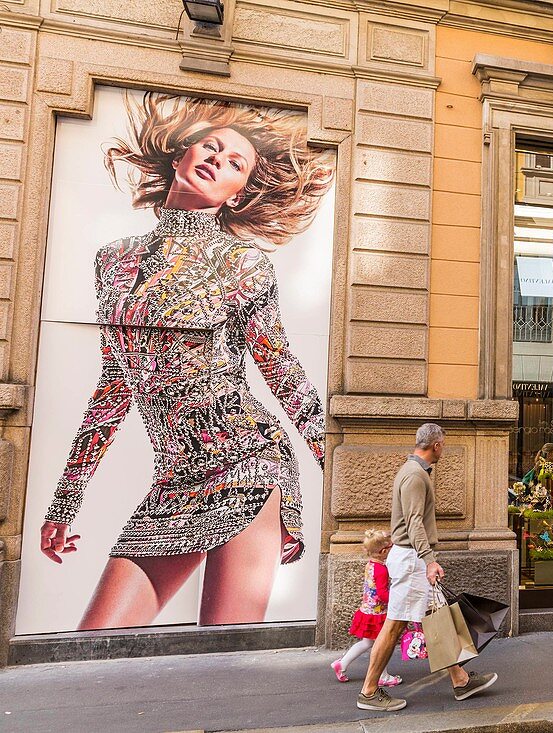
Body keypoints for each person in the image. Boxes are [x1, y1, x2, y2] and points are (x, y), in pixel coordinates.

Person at [38, 92, 332, 628]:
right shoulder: (113, 261)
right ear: (180, 157)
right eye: (211, 147)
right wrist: (64, 502)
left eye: (235, 162)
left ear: (238, 194)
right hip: (172, 480)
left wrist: (339, 465)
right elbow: (113, 387)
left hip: (246, 465)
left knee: (225, 654)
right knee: (92, 646)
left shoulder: (243, 263)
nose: (219, 158)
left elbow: (282, 373)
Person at [357, 423, 498, 712]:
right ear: (436, 445)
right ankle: (369, 691)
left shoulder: (415, 473)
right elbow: (413, 523)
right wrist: (429, 560)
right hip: (412, 559)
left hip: (413, 558)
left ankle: (460, 680)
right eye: (442, 444)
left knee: (438, 619)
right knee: (395, 625)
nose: (443, 449)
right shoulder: (414, 476)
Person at [331, 529, 402, 686]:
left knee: (367, 643)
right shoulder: (382, 570)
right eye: (391, 547)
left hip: (367, 610)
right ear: (384, 551)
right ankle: (382, 676)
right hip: (378, 613)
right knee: (381, 645)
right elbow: (383, 594)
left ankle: (341, 664)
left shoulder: (371, 565)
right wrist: (397, 599)